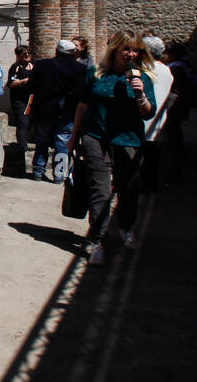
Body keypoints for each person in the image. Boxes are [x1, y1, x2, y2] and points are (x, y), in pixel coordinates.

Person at [67, 31, 158, 265]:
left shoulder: (143, 78)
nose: (131, 54)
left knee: (128, 190)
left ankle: (126, 227)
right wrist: (74, 136)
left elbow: (148, 113)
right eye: (126, 49)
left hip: (128, 140)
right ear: (115, 50)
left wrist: (139, 93)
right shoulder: (96, 74)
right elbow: (82, 107)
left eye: (135, 50)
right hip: (96, 138)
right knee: (101, 190)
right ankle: (97, 240)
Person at [28, 38, 87, 182]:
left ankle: (37, 172)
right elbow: (81, 93)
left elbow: (31, 87)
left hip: (44, 110)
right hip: (66, 113)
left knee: (41, 141)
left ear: (57, 51)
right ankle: (59, 175)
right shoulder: (80, 69)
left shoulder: (41, 65)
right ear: (73, 53)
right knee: (62, 144)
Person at [139, 35, 175, 192]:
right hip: (159, 124)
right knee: (153, 159)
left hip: (143, 123)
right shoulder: (167, 70)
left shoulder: (143, 71)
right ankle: (150, 186)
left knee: (143, 160)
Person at [164, 40, 194, 182]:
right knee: (175, 136)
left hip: (174, 107)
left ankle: (174, 171)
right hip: (179, 107)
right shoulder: (183, 65)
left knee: (172, 139)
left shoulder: (176, 68)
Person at [6, 45, 34, 147]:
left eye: (29, 53)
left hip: (31, 99)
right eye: (24, 54)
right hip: (19, 100)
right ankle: (22, 147)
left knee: (30, 123)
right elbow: (11, 84)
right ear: (18, 56)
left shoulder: (33, 66)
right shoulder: (16, 67)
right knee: (23, 122)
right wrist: (25, 81)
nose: (27, 55)